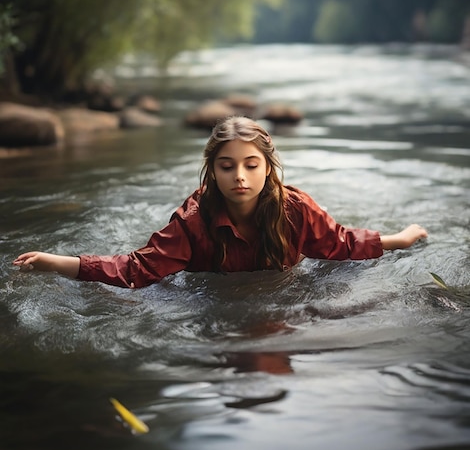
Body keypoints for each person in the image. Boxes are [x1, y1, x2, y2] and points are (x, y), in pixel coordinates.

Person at [13, 116, 428, 289]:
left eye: (251, 165)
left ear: (268, 168)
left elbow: (342, 244)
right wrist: (58, 262)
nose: (240, 177)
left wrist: (401, 239)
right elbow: (138, 269)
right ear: (212, 171)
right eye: (227, 166)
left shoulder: (295, 209)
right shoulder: (193, 219)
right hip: (204, 296)